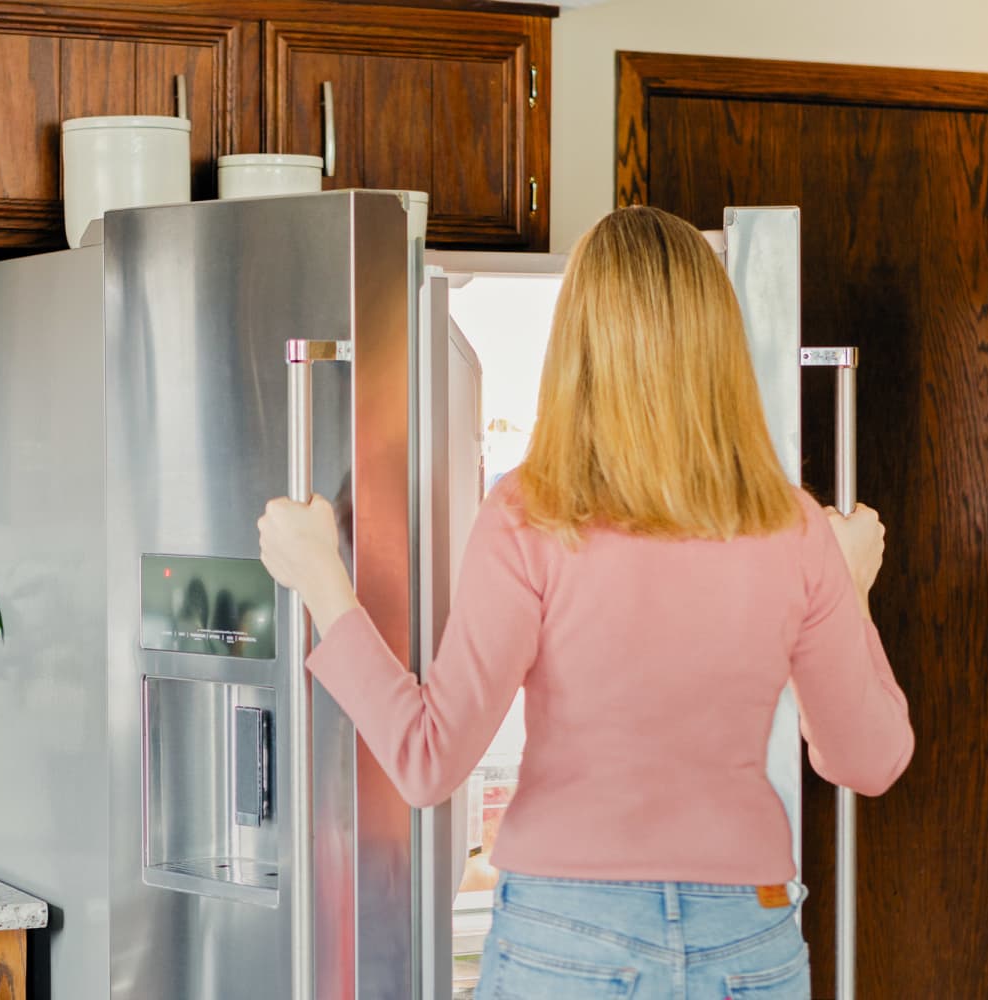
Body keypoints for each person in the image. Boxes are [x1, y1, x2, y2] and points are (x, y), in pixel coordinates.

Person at [258, 205, 913, 999]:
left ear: (579, 344)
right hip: (749, 935)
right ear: (717, 346)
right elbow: (869, 760)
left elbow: (428, 760)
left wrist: (321, 578)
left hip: (565, 936)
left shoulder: (529, 515)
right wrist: (851, 587)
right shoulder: (794, 527)